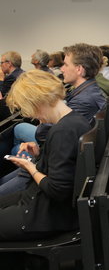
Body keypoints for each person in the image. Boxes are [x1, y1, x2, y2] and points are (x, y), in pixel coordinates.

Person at [0, 70, 90, 241]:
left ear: (38, 101)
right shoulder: (77, 121)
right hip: (44, 204)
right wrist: (41, 153)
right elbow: (64, 164)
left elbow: (57, 189)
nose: (32, 115)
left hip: (45, 215)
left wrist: (30, 167)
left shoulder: (62, 131)